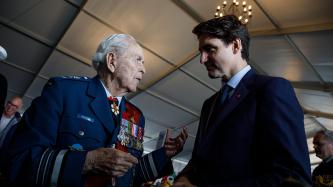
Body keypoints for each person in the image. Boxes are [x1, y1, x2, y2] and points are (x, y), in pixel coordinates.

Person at [5, 34, 188, 187]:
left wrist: (164, 154)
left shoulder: (136, 117)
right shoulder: (64, 91)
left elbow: (130, 175)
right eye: (138, 59)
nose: (144, 69)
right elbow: (19, 161)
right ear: (111, 61)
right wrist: (87, 161)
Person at [173, 15, 311, 187]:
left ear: (236, 45)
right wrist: (184, 178)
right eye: (201, 52)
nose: (202, 59)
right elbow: (198, 160)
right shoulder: (209, 105)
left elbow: (293, 177)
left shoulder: (272, 89)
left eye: (210, 49)